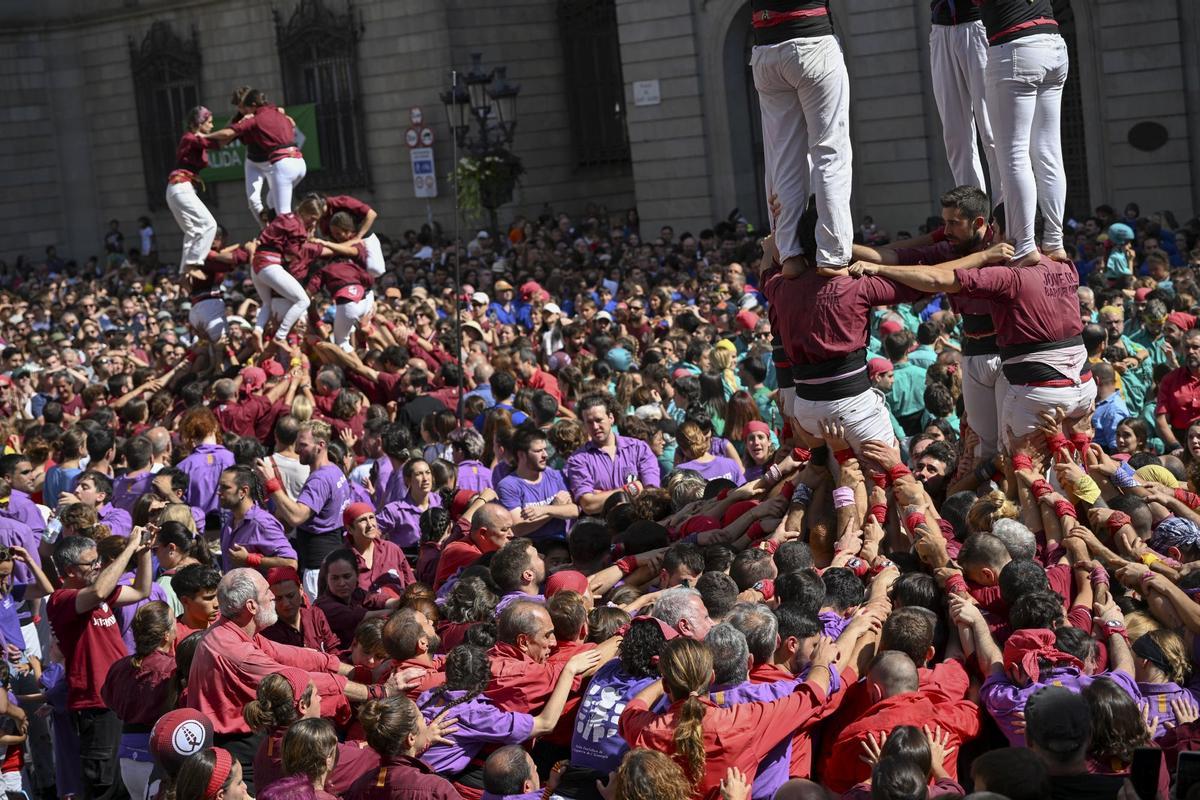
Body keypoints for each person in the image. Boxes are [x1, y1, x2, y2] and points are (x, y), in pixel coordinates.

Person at [618, 635, 842, 800]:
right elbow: (811, 696)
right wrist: (821, 661)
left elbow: (631, 709)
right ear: (712, 676)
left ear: (667, 685)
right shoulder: (745, 722)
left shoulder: (647, 730)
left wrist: (670, 681)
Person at [48, 530, 154, 800]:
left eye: (98, 560)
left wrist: (143, 553)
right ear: (70, 570)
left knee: (123, 780)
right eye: (91, 563)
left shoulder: (99, 597)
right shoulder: (62, 600)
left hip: (119, 699)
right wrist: (128, 548)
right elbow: (98, 589)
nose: (98, 566)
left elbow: (142, 589)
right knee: (103, 786)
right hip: (96, 704)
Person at [749, 0, 852, 276]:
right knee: (830, 154)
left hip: (765, 50)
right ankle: (833, 255)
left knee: (783, 161)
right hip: (812, 41)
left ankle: (790, 253)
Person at [982, 0, 1069, 266]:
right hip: (1053, 44)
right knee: (1048, 152)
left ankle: (1025, 245)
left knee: (1013, 156)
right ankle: (1054, 241)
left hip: (1015, 48)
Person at [257, 420, 351, 596]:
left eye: (303, 445)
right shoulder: (335, 471)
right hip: (331, 556)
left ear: (320, 445)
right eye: (296, 444)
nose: (297, 450)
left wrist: (271, 483)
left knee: (318, 618)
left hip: (317, 567)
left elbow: (297, 517)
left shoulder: (319, 480)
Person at [101, 601, 177, 800]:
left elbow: (109, 699)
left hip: (127, 753)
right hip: (157, 754)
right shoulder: (172, 669)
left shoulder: (120, 667)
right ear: (166, 635)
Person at [207, 87, 307, 224]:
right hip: (254, 161)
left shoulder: (266, 113)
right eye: (239, 107)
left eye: (244, 106)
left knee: (274, 199)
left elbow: (288, 120)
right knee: (253, 200)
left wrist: (280, 113)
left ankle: (278, 227)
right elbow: (226, 136)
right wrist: (206, 140)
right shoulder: (242, 119)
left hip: (273, 161)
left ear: (252, 104)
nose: (243, 110)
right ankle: (266, 229)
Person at [347, 696, 461, 800]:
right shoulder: (436, 790)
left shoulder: (359, 787)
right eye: (422, 718)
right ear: (411, 738)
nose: (427, 723)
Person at [566, 394, 661, 515]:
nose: (595, 427)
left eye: (599, 420)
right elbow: (589, 505)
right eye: (589, 422)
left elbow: (651, 494)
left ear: (611, 418)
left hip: (638, 521)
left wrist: (602, 496)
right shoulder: (578, 459)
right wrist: (632, 489)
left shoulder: (638, 448)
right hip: (601, 527)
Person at [166, 106, 221, 277]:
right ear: (200, 122)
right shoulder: (189, 138)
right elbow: (214, 143)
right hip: (180, 187)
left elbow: (214, 142)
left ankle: (184, 272)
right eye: (209, 122)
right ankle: (194, 264)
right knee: (210, 225)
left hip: (179, 189)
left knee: (193, 232)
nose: (212, 126)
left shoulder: (193, 139)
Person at [496, 427, 578, 542]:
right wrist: (555, 509)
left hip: (560, 545)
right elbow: (518, 528)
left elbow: (574, 510)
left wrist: (545, 510)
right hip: (530, 549)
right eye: (538, 451)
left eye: (545, 449)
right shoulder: (508, 486)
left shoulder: (555, 475)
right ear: (521, 455)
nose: (545, 455)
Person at [218, 465, 298, 574]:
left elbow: (291, 563)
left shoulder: (261, 523)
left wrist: (250, 559)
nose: (219, 492)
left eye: (225, 487)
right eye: (220, 487)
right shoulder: (229, 524)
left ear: (243, 491)